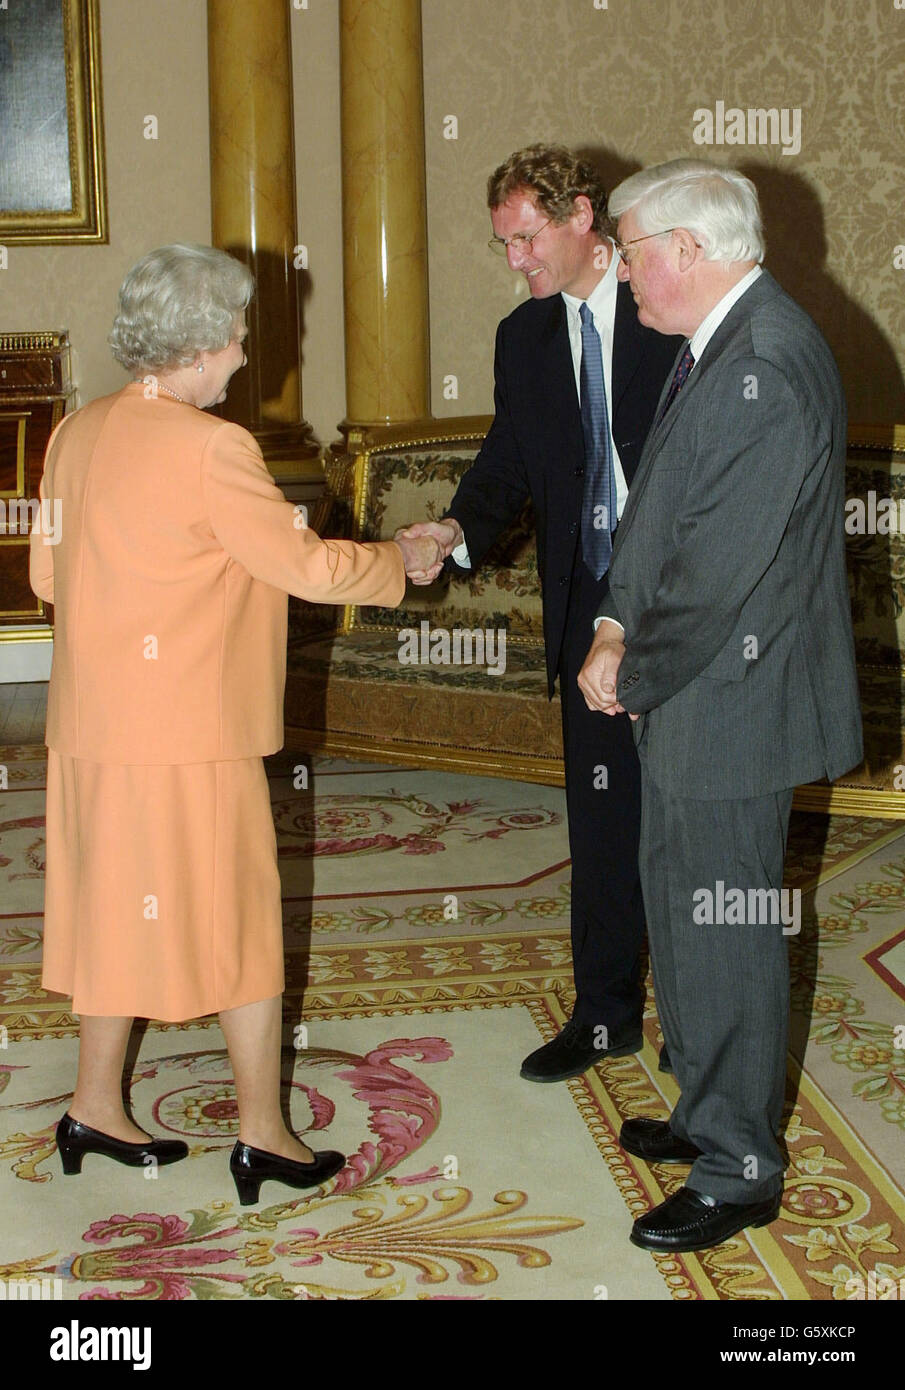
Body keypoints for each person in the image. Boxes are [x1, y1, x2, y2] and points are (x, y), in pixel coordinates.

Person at [29, 243, 440, 1206]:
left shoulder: (76, 433)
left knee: (109, 913)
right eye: (240, 334)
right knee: (244, 925)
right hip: (187, 737)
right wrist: (397, 560)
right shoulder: (215, 449)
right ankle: (263, 1135)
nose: (246, 352)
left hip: (92, 729)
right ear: (205, 341)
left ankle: (94, 1103)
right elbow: (306, 567)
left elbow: (49, 582)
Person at [578, 159, 863, 1252]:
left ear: (689, 251)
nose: (623, 268)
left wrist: (628, 668)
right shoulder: (722, 345)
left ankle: (740, 1164)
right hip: (695, 691)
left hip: (733, 698)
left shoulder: (768, 363)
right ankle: (706, 1113)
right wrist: (613, 621)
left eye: (633, 247)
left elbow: (717, 573)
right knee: (683, 911)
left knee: (725, 929)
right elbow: (664, 522)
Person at [400, 145, 681, 1082]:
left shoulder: (667, 310)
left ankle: (697, 1027)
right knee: (601, 831)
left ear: (581, 217)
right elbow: (506, 464)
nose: (516, 262)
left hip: (683, 610)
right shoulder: (523, 338)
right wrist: (451, 529)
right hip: (580, 614)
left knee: (687, 829)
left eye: (526, 239)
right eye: (504, 245)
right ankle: (604, 1019)